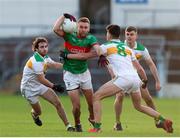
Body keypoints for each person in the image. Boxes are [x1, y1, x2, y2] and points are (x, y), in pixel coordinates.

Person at [88, 24, 173, 133]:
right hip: (135, 79)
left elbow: (92, 54)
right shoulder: (128, 48)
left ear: (109, 34)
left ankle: (97, 127)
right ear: (121, 35)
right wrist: (144, 80)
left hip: (123, 79)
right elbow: (140, 68)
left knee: (96, 97)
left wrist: (74, 55)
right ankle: (163, 119)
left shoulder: (106, 46)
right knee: (138, 106)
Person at [53, 13, 100, 132]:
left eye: (86, 27)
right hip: (70, 74)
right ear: (77, 27)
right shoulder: (69, 35)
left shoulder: (91, 38)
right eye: (81, 27)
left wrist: (100, 54)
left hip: (84, 74)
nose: (83, 29)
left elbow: (96, 50)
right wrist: (64, 16)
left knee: (91, 104)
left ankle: (92, 118)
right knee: (77, 107)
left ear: (89, 29)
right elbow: (55, 29)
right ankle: (77, 123)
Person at [20, 37, 74, 131]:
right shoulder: (36, 61)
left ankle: (68, 126)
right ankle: (34, 115)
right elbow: (41, 79)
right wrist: (54, 86)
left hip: (39, 85)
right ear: (36, 49)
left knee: (57, 103)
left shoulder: (45, 57)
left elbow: (54, 64)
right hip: (28, 89)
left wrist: (69, 66)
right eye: (41, 47)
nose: (45, 48)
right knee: (39, 112)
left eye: (46, 46)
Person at [113, 26, 162, 131]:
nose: (129, 36)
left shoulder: (142, 49)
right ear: (125, 35)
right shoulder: (119, 47)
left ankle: (158, 120)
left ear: (136, 36)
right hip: (121, 76)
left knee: (148, 98)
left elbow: (151, 64)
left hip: (135, 78)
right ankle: (117, 123)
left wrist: (157, 81)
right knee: (120, 96)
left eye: (132, 34)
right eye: (127, 34)